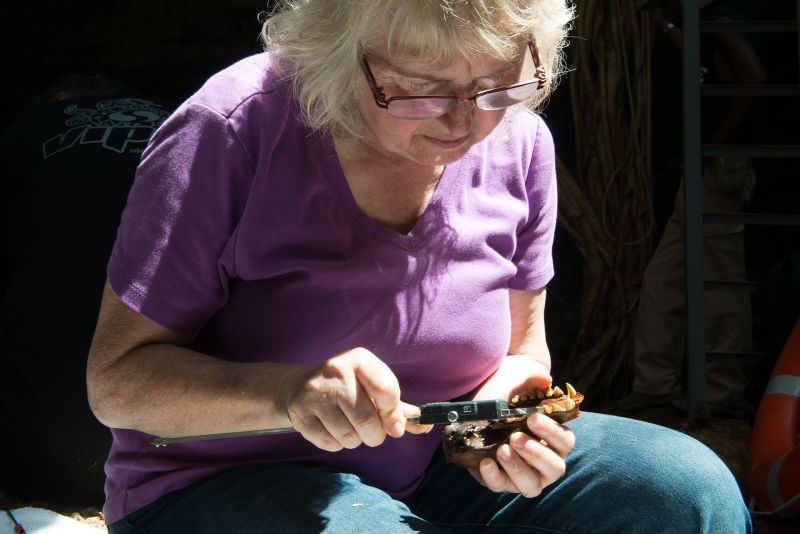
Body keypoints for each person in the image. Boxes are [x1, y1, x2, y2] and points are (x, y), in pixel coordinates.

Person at [86, 1, 751, 532]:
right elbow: (119, 385)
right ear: (334, 56)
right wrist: (288, 395)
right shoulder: (232, 129)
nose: (461, 124)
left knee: (689, 492)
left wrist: (503, 426)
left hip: (437, 466)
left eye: (495, 84)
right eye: (421, 92)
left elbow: (523, 351)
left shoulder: (519, 139)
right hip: (217, 481)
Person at [0, 72, 172, 505]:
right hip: (201, 455)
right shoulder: (202, 124)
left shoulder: (23, 137)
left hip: (40, 455)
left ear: (58, 101)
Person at [618, 0, 767, 417]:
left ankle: (722, 392)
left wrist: (712, 142)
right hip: (700, 172)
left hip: (718, 169)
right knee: (663, 278)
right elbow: (696, 58)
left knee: (720, 284)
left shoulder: (724, 21)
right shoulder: (707, 25)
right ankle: (655, 385)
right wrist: (661, 20)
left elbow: (752, 77)